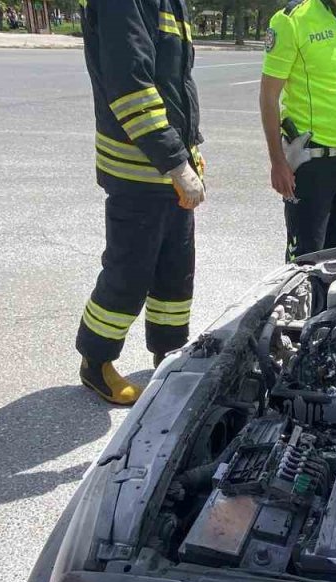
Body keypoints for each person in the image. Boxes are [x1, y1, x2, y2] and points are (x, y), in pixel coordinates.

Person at [76, 0, 206, 405]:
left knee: (175, 271)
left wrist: (190, 150)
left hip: (170, 165)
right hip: (136, 169)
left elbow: (176, 83)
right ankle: (95, 362)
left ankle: (168, 354)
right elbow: (130, 85)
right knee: (129, 273)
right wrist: (175, 161)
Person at [259, 0, 336, 262]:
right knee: (306, 260)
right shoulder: (291, 20)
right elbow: (268, 96)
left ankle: (326, 304)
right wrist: (277, 162)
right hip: (311, 161)